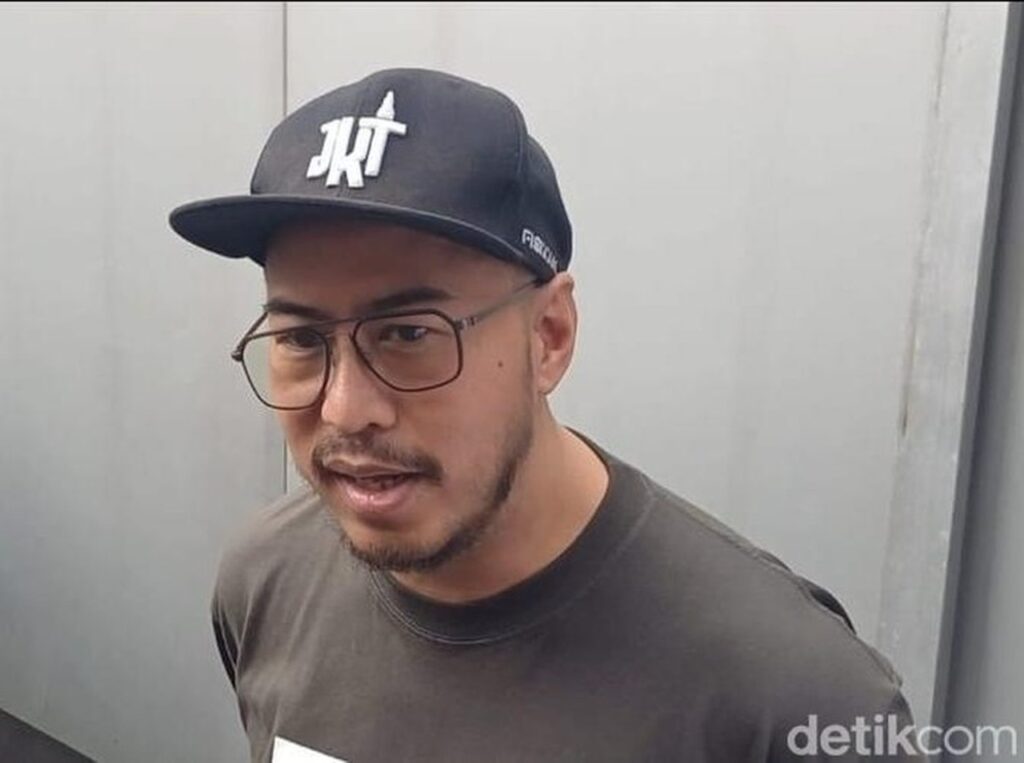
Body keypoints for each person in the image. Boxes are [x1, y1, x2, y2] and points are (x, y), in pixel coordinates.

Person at [169, 68, 917, 762]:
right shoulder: (266, 581)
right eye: (302, 338)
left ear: (549, 337)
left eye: (409, 335)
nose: (345, 409)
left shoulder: (791, 700)